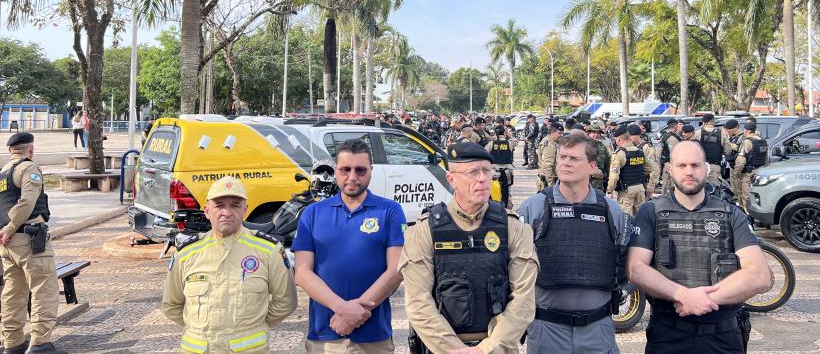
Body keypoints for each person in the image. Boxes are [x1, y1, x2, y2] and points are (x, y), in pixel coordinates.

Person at [628, 141, 772, 354]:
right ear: (670, 169)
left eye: (695, 165)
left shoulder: (731, 214)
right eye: (682, 165)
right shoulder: (650, 213)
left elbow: (760, 276)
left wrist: (701, 300)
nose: (689, 171)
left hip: (723, 335)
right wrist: (681, 294)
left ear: (705, 168)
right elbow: (635, 269)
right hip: (668, 334)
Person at [399, 142, 538, 354]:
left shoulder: (514, 228)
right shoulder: (424, 230)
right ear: (451, 179)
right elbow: (419, 303)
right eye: (473, 171)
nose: (482, 179)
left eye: (487, 170)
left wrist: (486, 349)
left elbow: (523, 300)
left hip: (498, 347)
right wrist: (455, 349)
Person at [517, 133, 629, 354]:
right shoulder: (534, 208)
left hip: (598, 328)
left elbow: (625, 262)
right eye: (562, 157)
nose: (566, 163)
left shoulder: (611, 210)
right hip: (547, 329)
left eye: (574, 158)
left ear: (592, 166)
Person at [293, 139, 406, 353]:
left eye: (360, 170)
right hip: (324, 335)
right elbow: (302, 273)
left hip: (374, 336)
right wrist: (343, 309)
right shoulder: (313, 213)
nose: (352, 177)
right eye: (345, 169)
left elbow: (396, 270)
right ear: (336, 170)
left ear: (371, 170)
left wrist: (356, 314)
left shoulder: (390, 211)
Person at [162, 176, 297, 353]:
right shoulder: (187, 253)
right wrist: (201, 330)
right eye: (219, 205)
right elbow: (171, 305)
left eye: (234, 205)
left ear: (245, 210)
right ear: (207, 210)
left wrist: (254, 326)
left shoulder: (267, 250)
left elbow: (286, 301)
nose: (226, 212)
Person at [0, 133, 62, 354]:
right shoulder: (29, 168)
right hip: (29, 240)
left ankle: (12, 343)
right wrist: (9, 228)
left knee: (13, 294)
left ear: (10, 151)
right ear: (31, 150)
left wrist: (4, 232)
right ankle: (40, 343)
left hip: (8, 246)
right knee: (44, 289)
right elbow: (27, 201)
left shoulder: (3, 173)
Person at [607, 127, 650, 216]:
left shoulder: (619, 154)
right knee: (640, 217)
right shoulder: (640, 151)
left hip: (626, 192)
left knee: (626, 219)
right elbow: (650, 168)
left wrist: (610, 191)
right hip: (640, 188)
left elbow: (614, 176)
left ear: (619, 140)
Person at [732, 122, 768, 211]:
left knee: (747, 198)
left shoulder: (747, 141)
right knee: (760, 197)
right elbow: (766, 159)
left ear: (747, 131)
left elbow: (741, 160)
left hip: (748, 174)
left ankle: (748, 220)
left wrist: (736, 173)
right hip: (760, 173)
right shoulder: (763, 141)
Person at [486, 126, 517, 208]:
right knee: (507, 191)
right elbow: (516, 140)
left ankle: (493, 207)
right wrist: (509, 135)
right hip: (506, 171)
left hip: (494, 171)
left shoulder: (491, 143)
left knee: (493, 190)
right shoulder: (509, 143)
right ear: (504, 133)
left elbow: (485, 152)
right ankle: (507, 208)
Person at [629, 124, 660, 199]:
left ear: (638, 135)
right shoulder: (632, 147)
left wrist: (651, 184)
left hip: (645, 182)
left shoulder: (647, 147)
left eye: (631, 136)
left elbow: (655, 167)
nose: (629, 139)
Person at [536, 123, 563, 191]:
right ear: (552, 133)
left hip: (551, 178)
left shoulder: (554, 142)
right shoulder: (549, 144)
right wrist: (551, 185)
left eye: (562, 133)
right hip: (548, 180)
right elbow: (547, 166)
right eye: (559, 133)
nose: (561, 135)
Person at [586, 124, 610, 193]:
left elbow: (608, 163)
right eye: (593, 133)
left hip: (600, 183)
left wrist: (608, 178)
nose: (596, 135)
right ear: (588, 133)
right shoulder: (583, 146)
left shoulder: (602, 147)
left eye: (598, 133)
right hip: (586, 182)